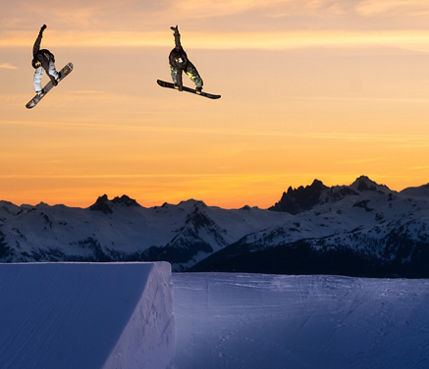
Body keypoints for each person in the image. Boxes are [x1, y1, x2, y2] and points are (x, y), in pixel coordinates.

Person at [169, 25, 203, 94]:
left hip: (186, 63)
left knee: (192, 72)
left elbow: (177, 40)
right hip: (175, 65)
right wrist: (180, 85)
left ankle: (199, 86)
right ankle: (176, 83)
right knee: (175, 73)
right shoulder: (175, 63)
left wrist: (176, 32)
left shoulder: (179, 49)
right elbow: (179, 74)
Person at [31, 24, 60, 96]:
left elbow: (48, 73)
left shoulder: (43, 62)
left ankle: (56, 75)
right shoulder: (35, 55)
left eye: (38, 64)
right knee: (37, 76)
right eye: (37, 65)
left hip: (50, 59)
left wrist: (54, 81)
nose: (38, 65)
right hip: (43, 62)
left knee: (50, 71)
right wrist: (41, 31)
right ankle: (38, 90)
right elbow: (37, 41)